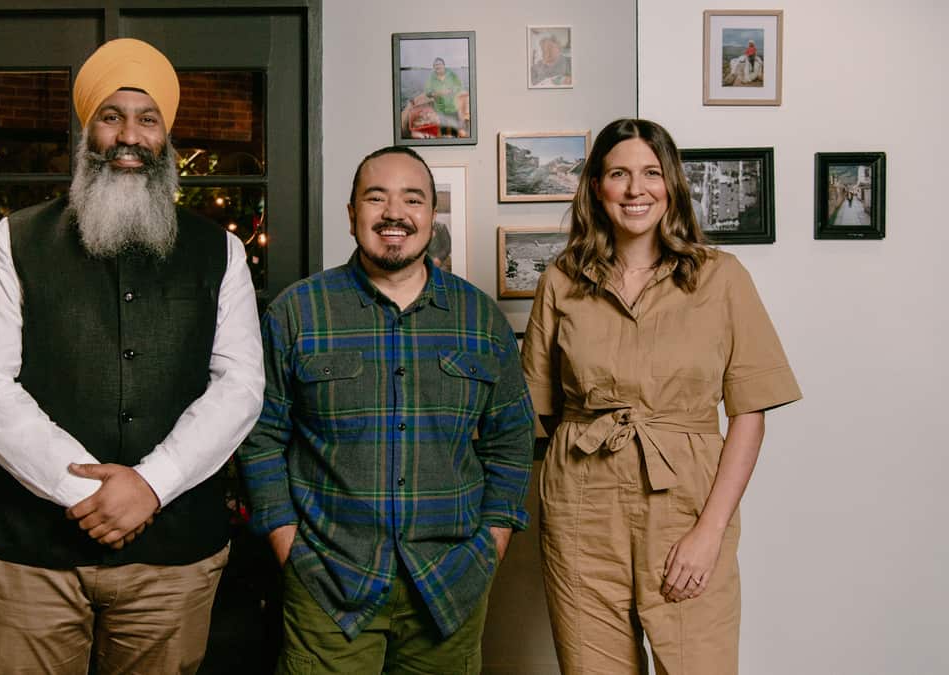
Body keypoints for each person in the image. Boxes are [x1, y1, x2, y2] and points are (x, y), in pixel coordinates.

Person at [0, 37, 265, 675]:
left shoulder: (220, 253)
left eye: (147, 119)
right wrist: (87, 494)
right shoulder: (11, 242)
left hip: (172, 559)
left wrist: (151, 484)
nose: (129, 135)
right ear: (87, 129)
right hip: (27, 561)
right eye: (111, 116)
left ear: (167, 137)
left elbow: (239, 387)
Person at [238, 146, 534, 674]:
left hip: (449, 585)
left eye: (412, 199)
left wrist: (492, 543)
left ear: (431, 217)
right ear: (352, 214)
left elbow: (510, 444)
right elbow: (260, 439)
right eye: (376, 198)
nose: (394, 213)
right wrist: (288, 544)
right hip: (328, 583)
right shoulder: (298, 312)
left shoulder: (479, 318)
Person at [521, 118, 801, 674]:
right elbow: (537, 413)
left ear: (671, 184)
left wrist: (709, 532)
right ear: (596, 187)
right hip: (581, 511)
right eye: (618, 174)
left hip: (687, 507)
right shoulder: (561, 280)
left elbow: (750, 413)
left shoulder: (722, 278)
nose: (635, 189)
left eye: (651, 173)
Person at [422, 57, 465, 137]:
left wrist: (451, 90)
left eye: (439, 64)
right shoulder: (431, 77)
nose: (437, 66)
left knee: (455, 132)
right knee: (443, 132)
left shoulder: (452, 75)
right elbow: (427, 91)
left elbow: (459, 86)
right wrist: (433, 94)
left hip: (452, 107)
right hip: (439, 109)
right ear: (434, 67)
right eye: (435, 65)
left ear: (444, 65)